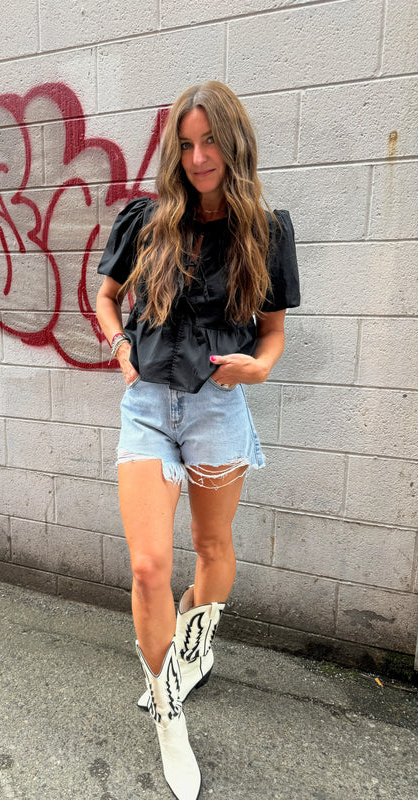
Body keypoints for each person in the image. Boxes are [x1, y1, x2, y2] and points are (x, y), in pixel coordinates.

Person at [95, 81, 300, 800]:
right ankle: (169, 714)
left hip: (218, 409)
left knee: (211, 554)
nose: (198, 156)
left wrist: (261, 367)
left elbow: (273, 333)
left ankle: (194, 642)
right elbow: (104, 292)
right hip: (149, 405)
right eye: (185, 144)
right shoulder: (148, 219)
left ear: (234, 144)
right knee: (150, 566)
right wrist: (119, 344)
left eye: (210, 141)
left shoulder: (266, 230)